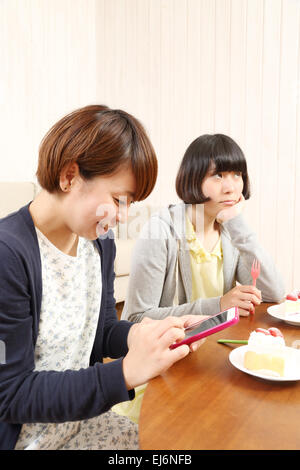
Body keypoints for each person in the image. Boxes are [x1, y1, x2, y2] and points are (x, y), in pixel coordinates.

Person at [0, 105, 205, 450]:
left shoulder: (99, 243)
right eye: (119, 200)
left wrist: (150, 333)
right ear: (69, 177)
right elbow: (10, 393)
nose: (124, 217)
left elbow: (103, 331)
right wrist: (124, 373)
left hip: (83, 425)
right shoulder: (9, 254)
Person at [121, 133, 285, 324]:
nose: (230, 187)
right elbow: (137, 318)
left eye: (237, 175)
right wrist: (219, 305)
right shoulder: (160, 231)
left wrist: (237, 223)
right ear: (193, 179)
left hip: (215, 341)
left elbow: (274, 293)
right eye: (218, 175)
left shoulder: (231, 231)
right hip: (170, 347)